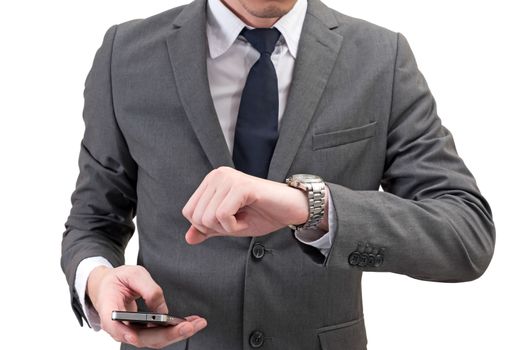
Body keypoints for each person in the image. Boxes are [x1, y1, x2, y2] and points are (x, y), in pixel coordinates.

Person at [60, 0, 496, 349]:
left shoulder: (381, 59)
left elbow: (465, 234)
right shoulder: (126, 54)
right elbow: (93, 221)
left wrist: (310, 207)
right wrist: (97, 279)